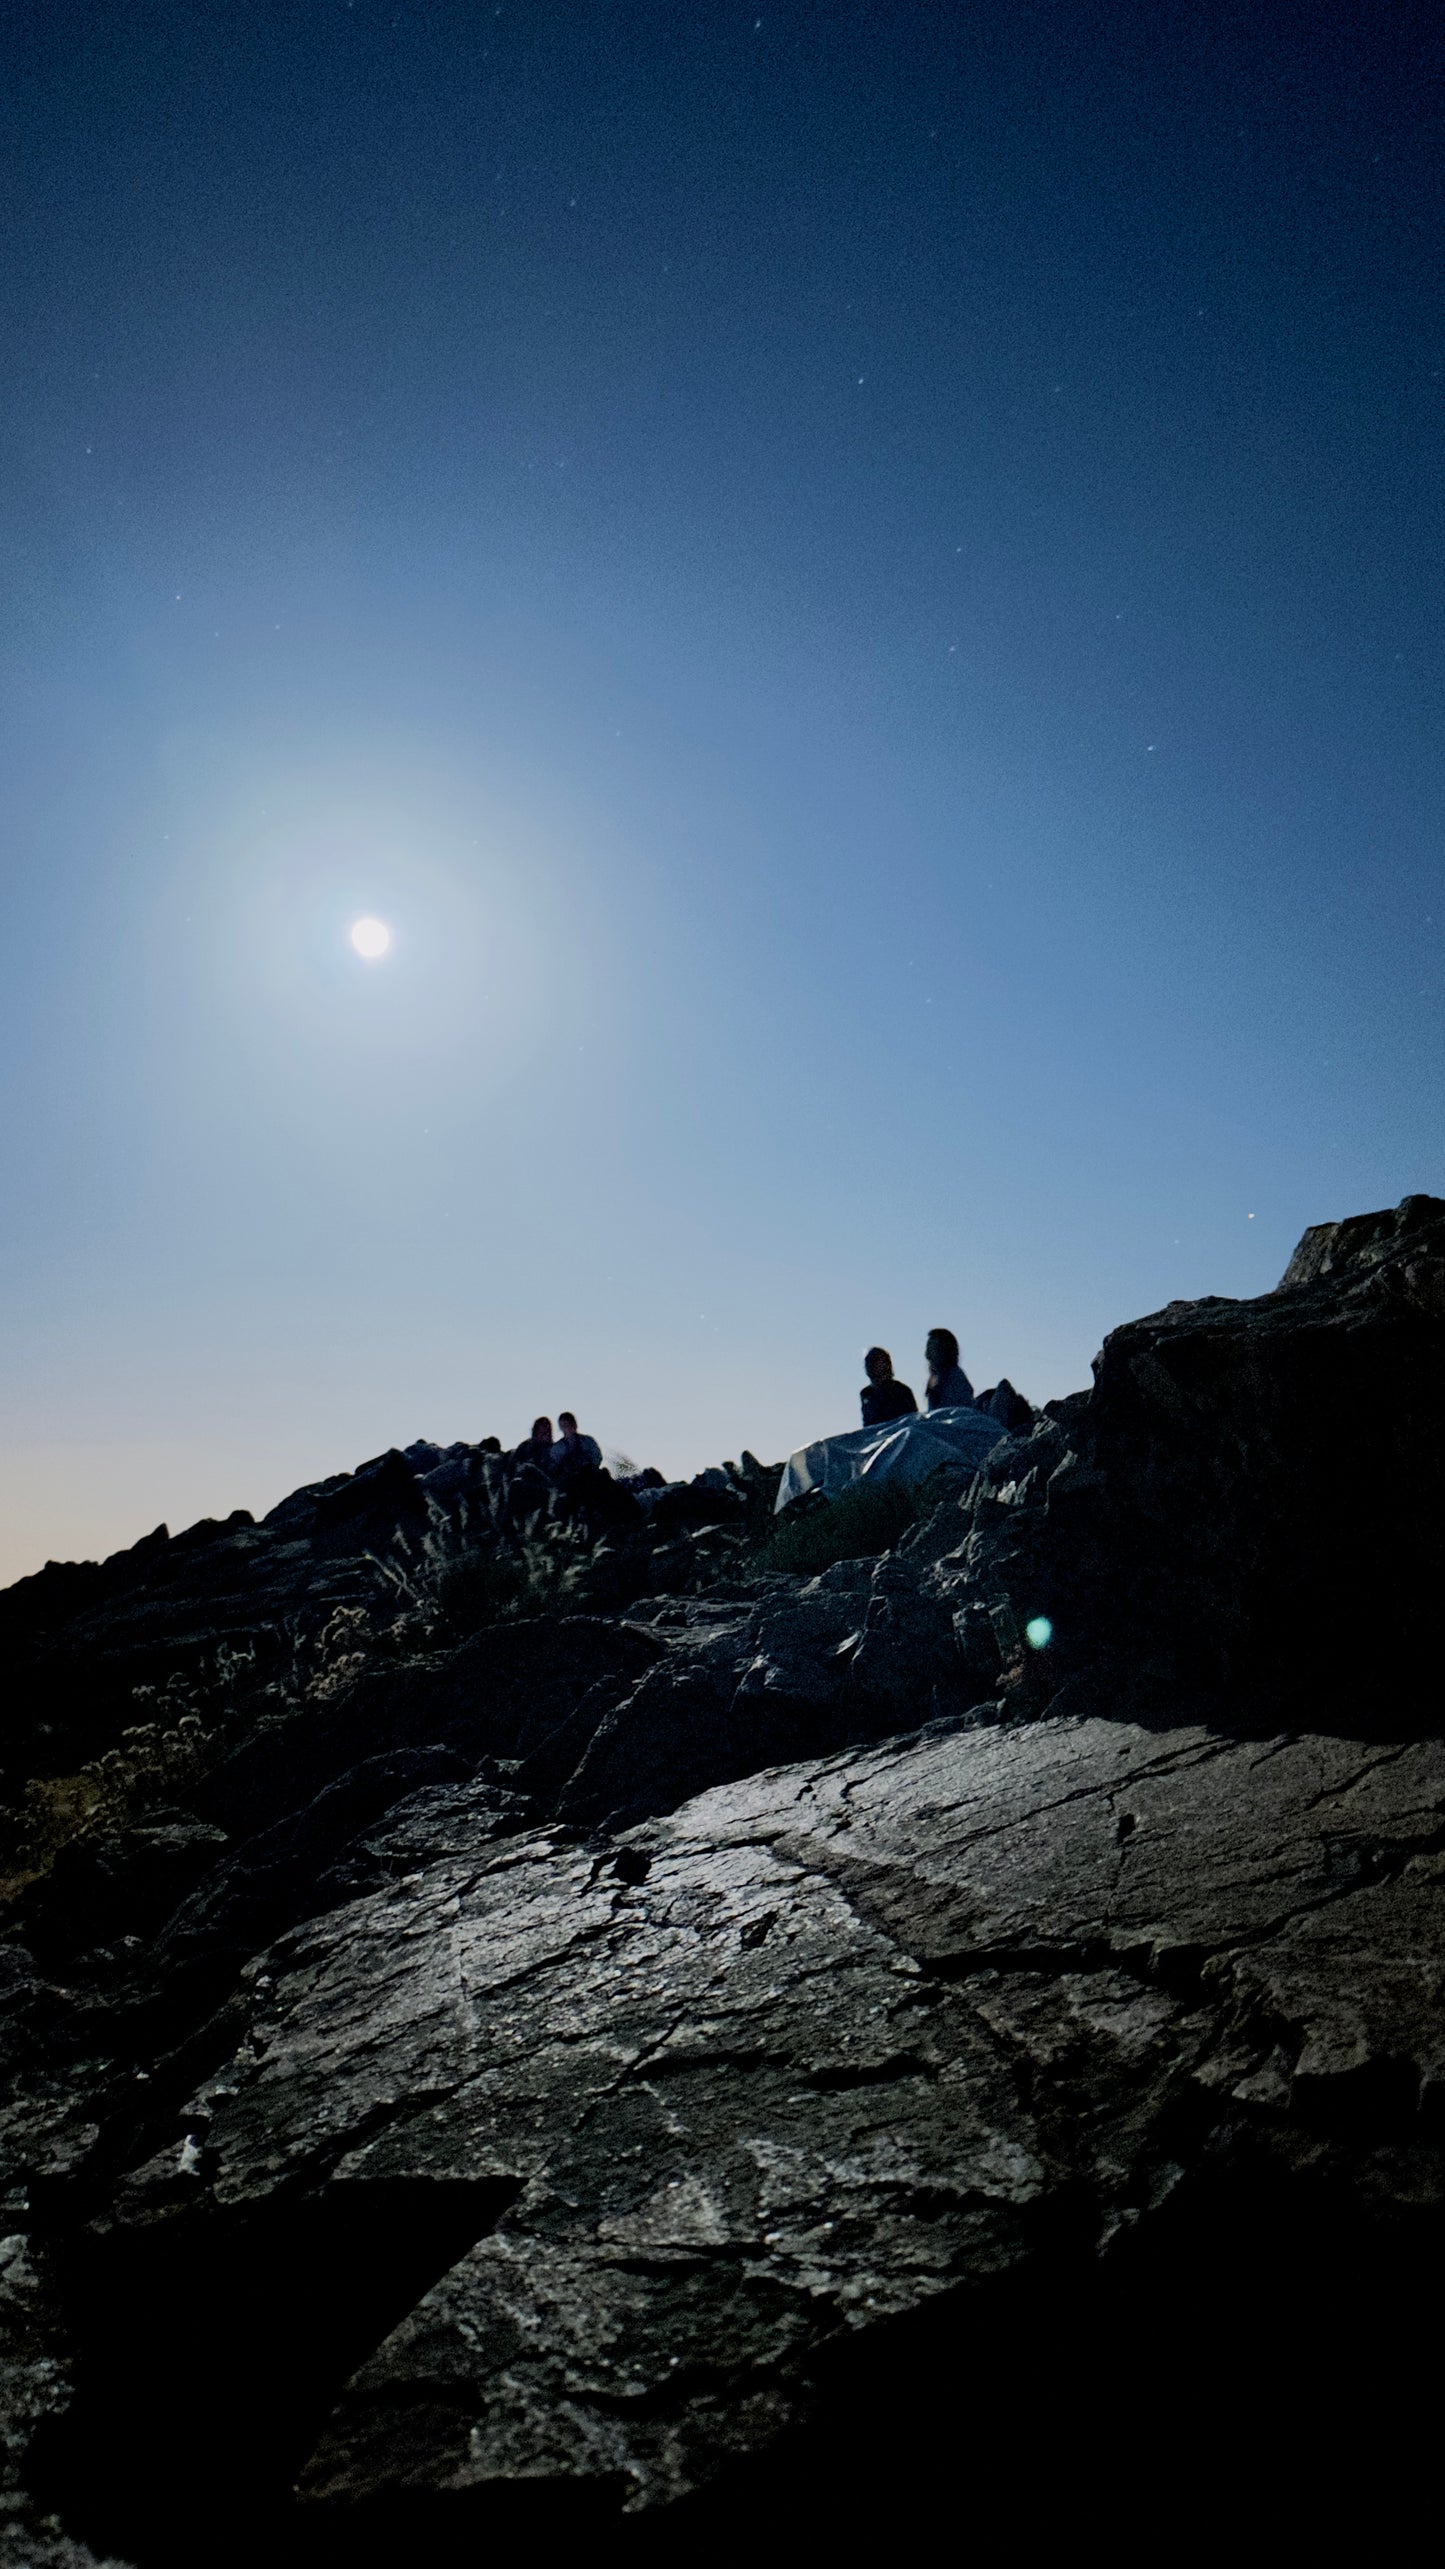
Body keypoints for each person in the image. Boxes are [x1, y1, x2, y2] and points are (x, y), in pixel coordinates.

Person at [860, 1347, 919, 1428]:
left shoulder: (901, 1391)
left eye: (875, 1360)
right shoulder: (866, 1393)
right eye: (868, 1361)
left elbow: (912, 1421)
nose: (870, 1364)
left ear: (886, 1364)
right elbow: (867, 1424)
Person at [925, 1328, 975, 1410]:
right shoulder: (936, 1379)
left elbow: (952, 1412)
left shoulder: (956, 1379)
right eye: (928, 1348)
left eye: (933, 1348)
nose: (928, 1355)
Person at [550, 1411, 603, 1480]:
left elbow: (597, 1457)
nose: (567, 1428)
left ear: (574, 1424)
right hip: (569, 1481)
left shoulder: (588, 1441)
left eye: (569, 1424)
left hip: (590, 1476)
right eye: (564, 1425)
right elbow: (554, 1466)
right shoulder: (557, 1448)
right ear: (561, 1428)